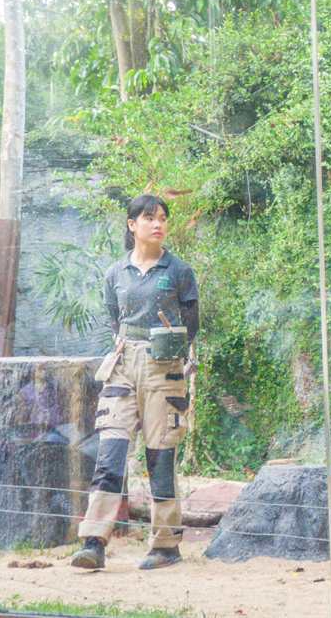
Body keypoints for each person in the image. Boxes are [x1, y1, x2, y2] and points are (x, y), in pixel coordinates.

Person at [72, 194, 200, 571]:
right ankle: (93, 542)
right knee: (110, 454)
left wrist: (170, 347)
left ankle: (165, 546)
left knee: (160, 457)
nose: (158, 224)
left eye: (162, 218)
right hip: (123, 366)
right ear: (132, 225)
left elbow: (192, 323)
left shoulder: (179, 271)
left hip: (164, 369)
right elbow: (115, 320)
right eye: (149, 218)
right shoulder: (115, 273)